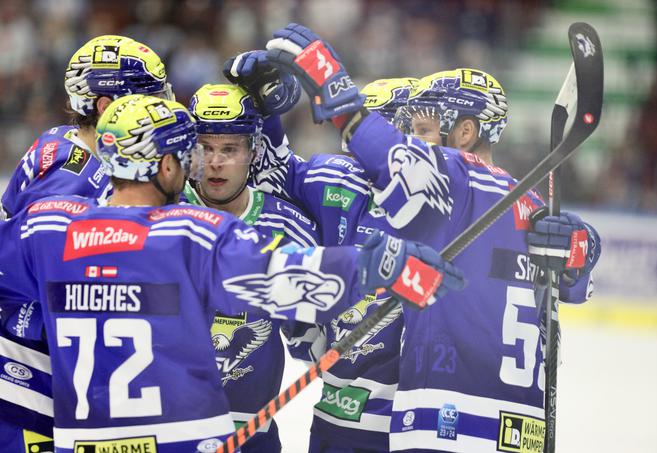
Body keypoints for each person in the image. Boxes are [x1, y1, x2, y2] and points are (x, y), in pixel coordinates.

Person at [0, 93, 463, 453]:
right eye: (187, 158)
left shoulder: (49, 229)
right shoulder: (190, 233)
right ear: (165, 165)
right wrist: (382, 264)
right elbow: (288, 278)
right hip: (185, 439)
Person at [264, 23, 601, 452]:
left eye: (422, 129)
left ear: (463, 133)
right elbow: (577, 284)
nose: (412, 141)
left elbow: (385, 154)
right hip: (520, 430)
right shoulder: (528, 202)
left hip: (445, 423)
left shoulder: (455, 181)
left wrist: (331, 82)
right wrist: (583, 245)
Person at [225, 52, 418, 453]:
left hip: (416, 416)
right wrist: (264, 105)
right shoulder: (336, 179)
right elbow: (273, 171)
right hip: (339, 412)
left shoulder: (443, 199)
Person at [0, 34, 174, 452]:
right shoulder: (71, 170)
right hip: (30, 385)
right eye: (151, 96)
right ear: (105, 106)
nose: (163, 106)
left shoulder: (86, 152)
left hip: (60, 382)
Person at [185, 82, 321, 452]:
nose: (215, 162)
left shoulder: (288, 227)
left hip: (250, 437)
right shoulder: (160, 214)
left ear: (254, 150)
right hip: (169, 430)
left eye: (229, 149)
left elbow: (311, 342)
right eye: (204, 148)